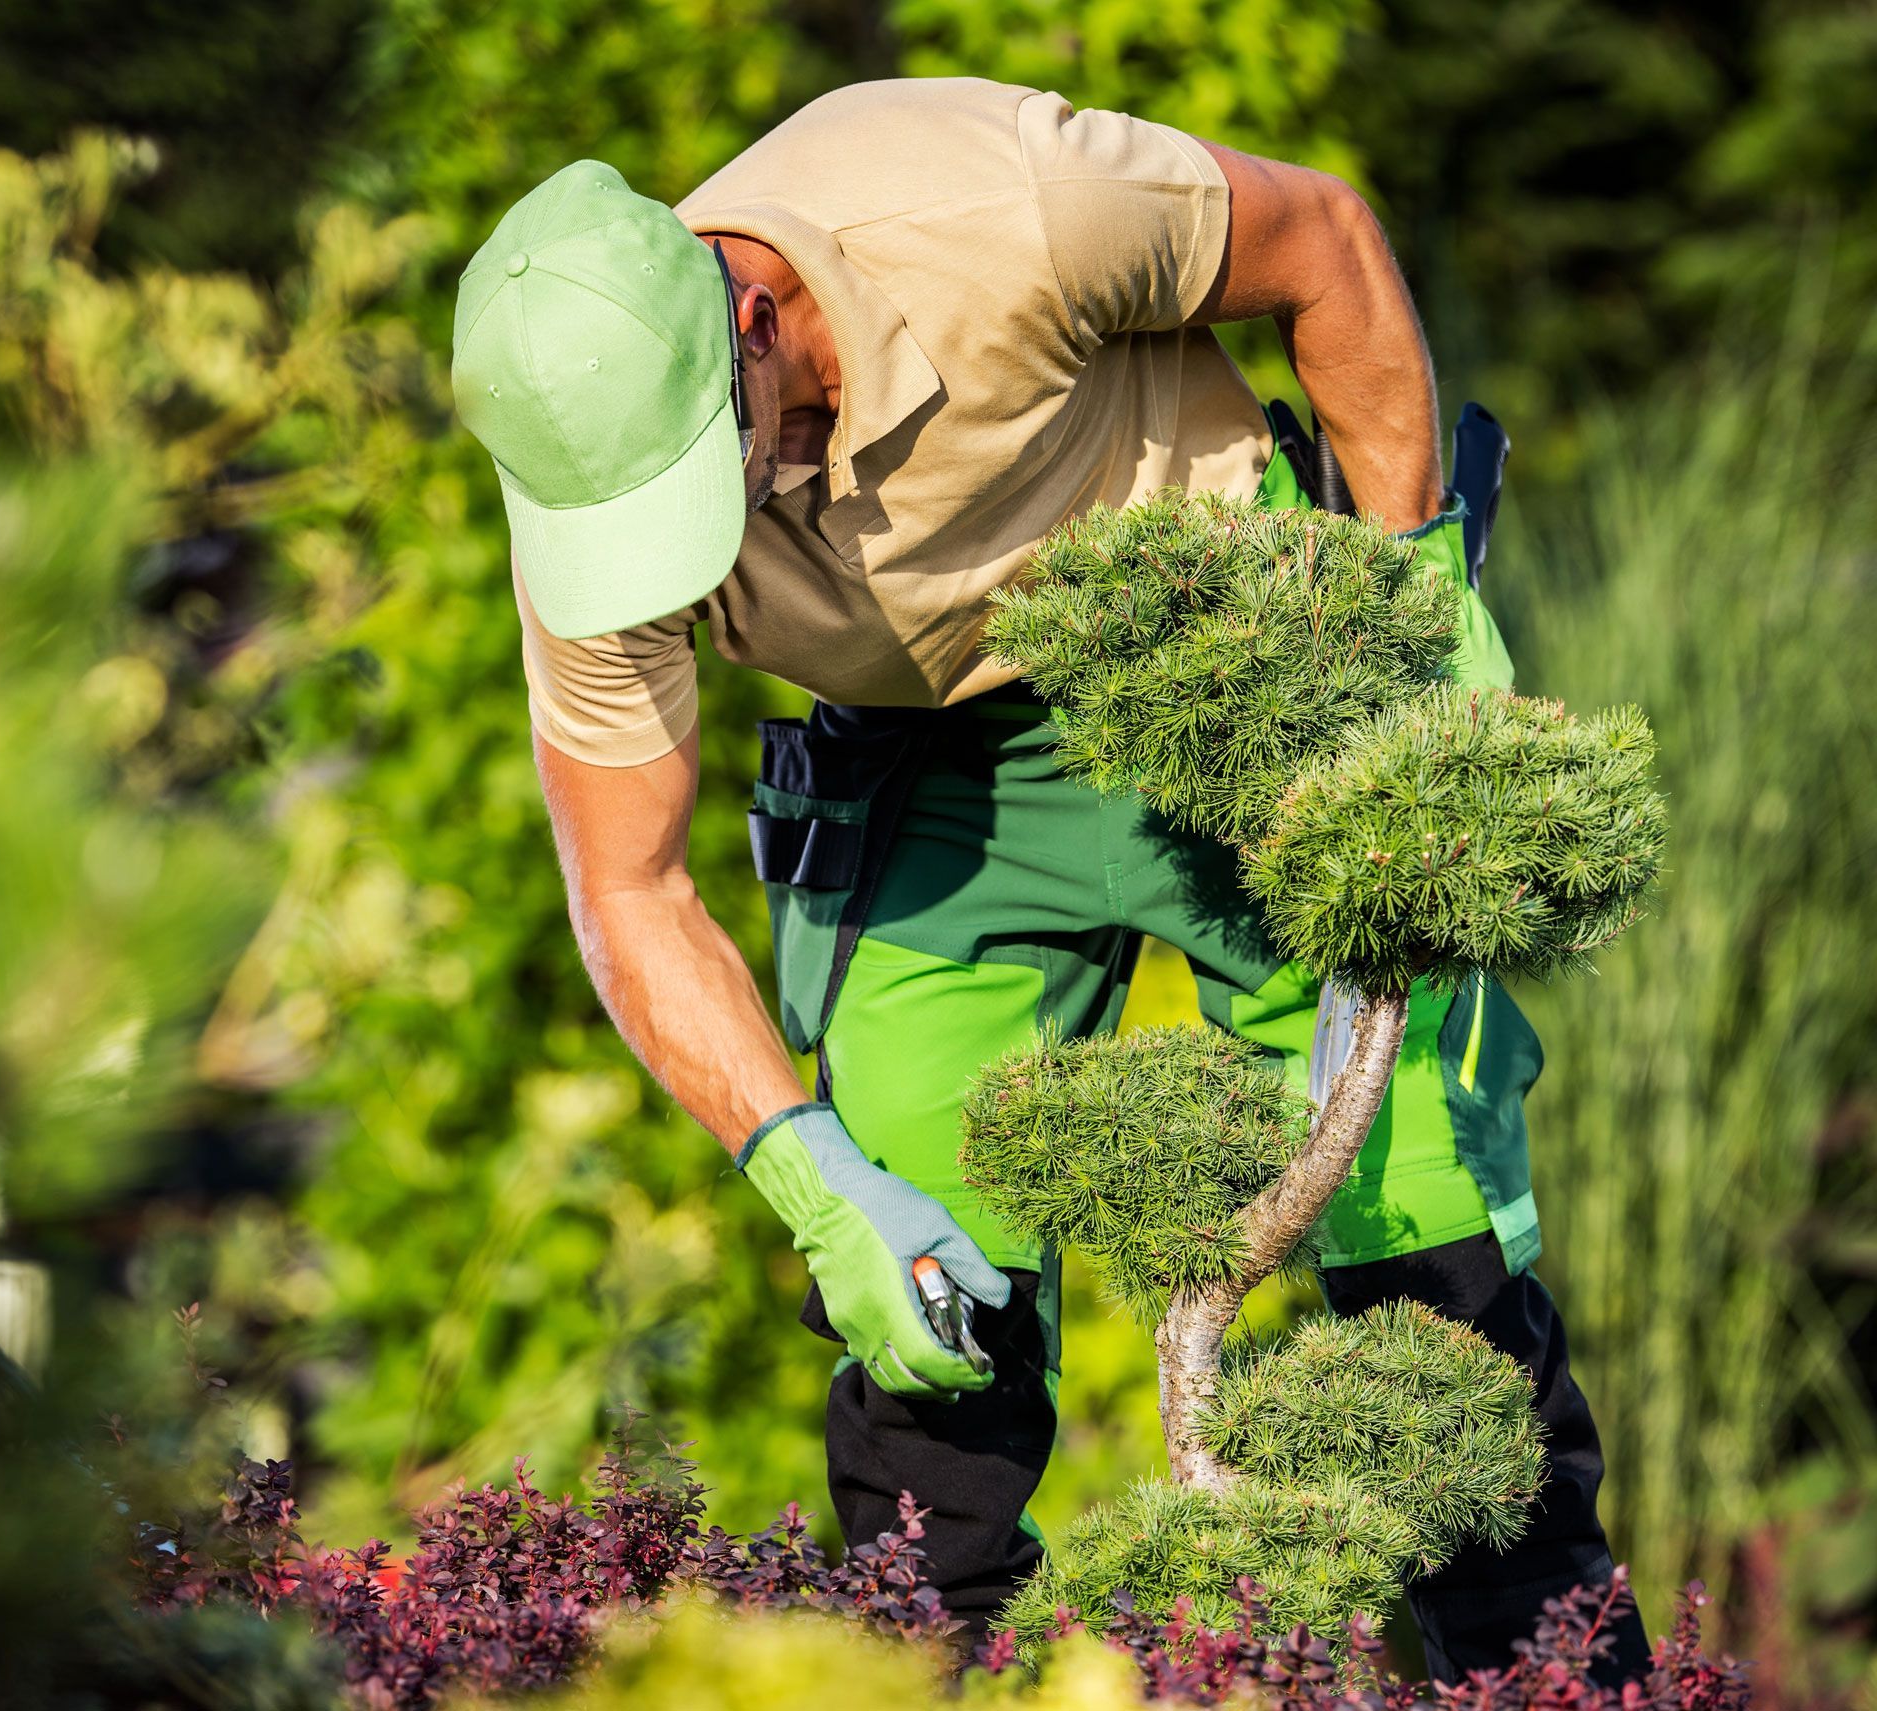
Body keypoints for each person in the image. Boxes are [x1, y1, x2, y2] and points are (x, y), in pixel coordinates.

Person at [450, 76, 1647, 1681]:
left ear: (751, 312)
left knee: (1420, 1248)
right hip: (929, 779)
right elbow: (634, 893)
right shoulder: (586, 509)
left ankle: (1563, 1678)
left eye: (701, 471)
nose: (693, 541)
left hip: (1231, 665)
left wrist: (1415, 595)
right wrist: (816, 1187)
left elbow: (1328, 245)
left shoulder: (997, 204)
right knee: (928, 1334)